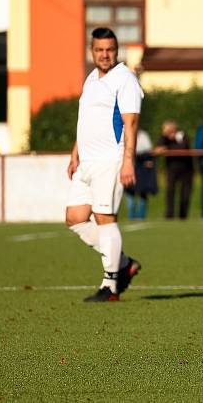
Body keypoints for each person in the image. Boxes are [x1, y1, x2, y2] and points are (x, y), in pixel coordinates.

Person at [64, 27, 143, 302]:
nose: (104, 54)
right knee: (74, 218)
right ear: (92, 51)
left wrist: (128, 161)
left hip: (110, 160)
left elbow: (131, 123)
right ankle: (122, 264)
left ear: (116, 50)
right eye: (99, 50)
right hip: (86, 162)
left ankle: (110, 286)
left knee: (104, 219)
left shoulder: (125, 80)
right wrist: (75, 153)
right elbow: (85, 120)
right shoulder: (91, 79)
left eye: (109, 49)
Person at [155, 121, 194, 220]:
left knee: (185, 193)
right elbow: (159, 146)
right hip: (171, 168)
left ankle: (183, 215)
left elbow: (183, 147)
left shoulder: (182, 135)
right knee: (170, 191)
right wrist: (164, 136)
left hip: (186, 169)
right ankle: (169, 215)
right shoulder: (165, 138)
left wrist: (169, 146)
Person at [125, 128, 157, 220]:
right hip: (129, 169)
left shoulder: (143, 135)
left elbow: (147, 151)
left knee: (143, 194)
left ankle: (141, 217)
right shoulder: (125, 134)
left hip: (142, 172)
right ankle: (131, 218)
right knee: (130, 195)